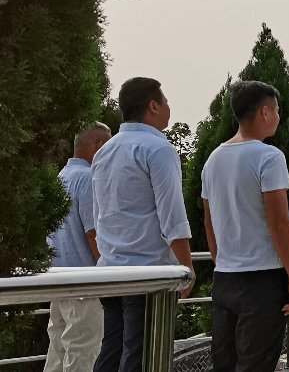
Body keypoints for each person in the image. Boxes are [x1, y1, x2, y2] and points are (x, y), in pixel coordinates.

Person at [92, 78, 194, 372]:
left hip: (109, 272)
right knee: (140, 358)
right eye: (165, 101)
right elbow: (172, 217)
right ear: (153, 106)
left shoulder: (104, 152)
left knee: (111, 353)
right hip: (147, 274)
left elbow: (100, 216)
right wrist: (186, 267)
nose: (168, 107)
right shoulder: (157, 149)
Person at [201, 80, 289, 372]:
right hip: (262, 279)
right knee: (256, 363)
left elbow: (209, 222)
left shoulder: (213, 160)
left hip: (225, 278)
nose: (279, 117)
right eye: (277, 110)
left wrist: (221, 261)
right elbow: (280, 223)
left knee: (226, 363)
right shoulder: (268, 157)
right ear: (265, 112)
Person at [44, 123, 112, 372]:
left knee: (58, 348)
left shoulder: (61, 177)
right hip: (85, 280)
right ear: (99, 146)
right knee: (83, 349)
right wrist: (109, 275)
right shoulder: (88, 179)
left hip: (57, 278)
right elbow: (93, 233)